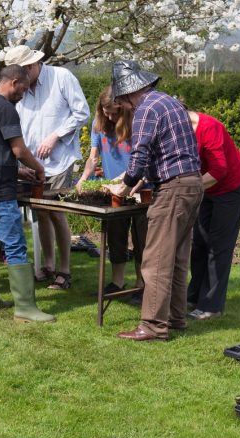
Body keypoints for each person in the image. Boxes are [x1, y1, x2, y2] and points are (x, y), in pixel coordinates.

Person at [109, 60, 203, 342]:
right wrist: (139, 181)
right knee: (176, 257)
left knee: (155, 260)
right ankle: (175, 318)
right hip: (191, 183)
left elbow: (139, 154)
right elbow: (163, 152)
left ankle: (152, 325)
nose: (124, 106)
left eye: (122, 101)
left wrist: (124, 187)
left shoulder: (146, 108)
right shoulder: (169, 102)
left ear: (127, 93)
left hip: (173, 189)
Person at [0, 64, 54, 322]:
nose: (24, 94)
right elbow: (19, 150)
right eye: (24, 89)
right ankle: (25, 307)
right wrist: (38, 168)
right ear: (14, 81)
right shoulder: (5, 109)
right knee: (15, 244)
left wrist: (18, 172)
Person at [3, 45, 90, 290]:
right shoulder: (20, 89)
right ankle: (48, 265)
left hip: (60, 159)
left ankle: (65, 271)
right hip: (33, 162)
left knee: (56, 211)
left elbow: (82, 112)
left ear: (31, 66)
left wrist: (56, 136)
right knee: (40, 212)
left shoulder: (61, 78)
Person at [76, 86, 147, 302]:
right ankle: (117, 283)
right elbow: (93, 158)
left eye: (113, 112)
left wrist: (124, 182)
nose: (109, 116)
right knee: (116, 238)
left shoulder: (137, 125)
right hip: (113, 192)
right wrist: (83, 179)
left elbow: (143, 160)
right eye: (105, 111)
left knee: (141, 238)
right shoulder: (99, 126)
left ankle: (142, 285)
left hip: (138, 190)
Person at [186, 110, 240, 320]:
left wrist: (186, 188)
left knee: (218, 246)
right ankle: (193, 297)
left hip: (230, 189)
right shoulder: (180, 129)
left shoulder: (208, 127)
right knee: (199, 244)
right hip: (207, 189)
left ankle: (211, 305)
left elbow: (219, 170)